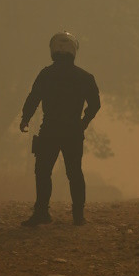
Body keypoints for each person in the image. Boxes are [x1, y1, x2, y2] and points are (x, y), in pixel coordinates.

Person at [19, 32, 100, 226]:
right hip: (73, 131)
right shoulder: (85, 76)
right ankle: (78, 216)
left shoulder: (46, 74)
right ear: (73, 51)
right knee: (74, 173)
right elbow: (95, 104)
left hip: (50, 130)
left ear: (53, 50)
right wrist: (83, 122)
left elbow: (33, 98)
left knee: (43, 171)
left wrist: (25, 119)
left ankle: (41, 213)